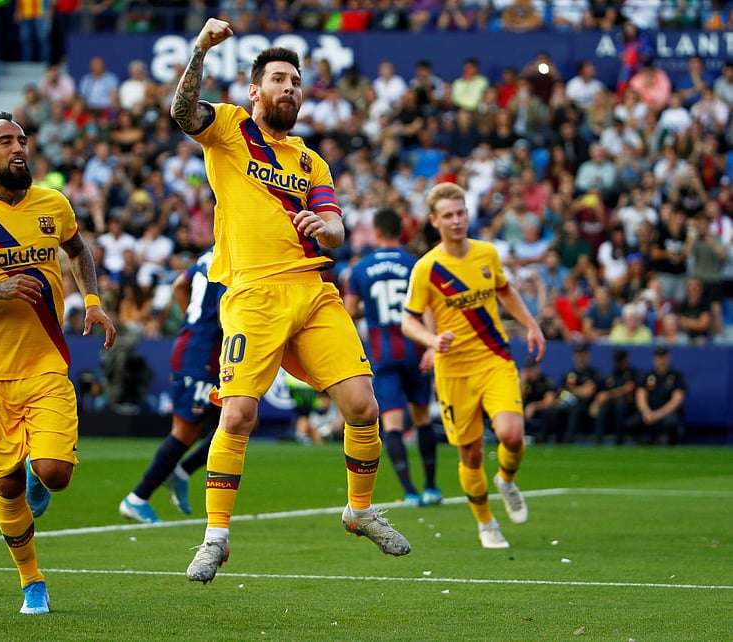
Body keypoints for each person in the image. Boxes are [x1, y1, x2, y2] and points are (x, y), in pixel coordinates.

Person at [171, 18, 411, 584]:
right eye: (279, 79)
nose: (290, 89)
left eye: (297, 82)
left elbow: (333, 225)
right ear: (255, 90)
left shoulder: (311, 162)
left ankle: (358, 510)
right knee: (238, 413)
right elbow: (183, 113)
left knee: (363, 407)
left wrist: (328, 229)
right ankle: (216, 538)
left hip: (313, 293)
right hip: (252, 294)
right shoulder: (229, 128)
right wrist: (200, 50)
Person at [0, 112, 117, 615]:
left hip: (45, 361)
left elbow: (78, 250)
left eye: (22, 141)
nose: (18, 148)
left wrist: (92, 299)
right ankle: (32, 581)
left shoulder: (53, 204)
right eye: (5, 141)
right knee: (4, 484)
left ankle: (40, 477)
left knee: (54, 473)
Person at [401, 182, 546, 549]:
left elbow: (505, 290)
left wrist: (531, 325)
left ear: (468, 213)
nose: (456, 220)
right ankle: (486, 522)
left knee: (512, 434)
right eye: (448, 215)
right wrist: (432, 342)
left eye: (461, 212)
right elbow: (409, 320)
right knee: (471, 453)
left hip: (494, 358)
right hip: (453, 371)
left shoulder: (486, 253)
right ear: (435, 221)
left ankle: (506, 481)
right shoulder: (427, 268)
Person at [119, 247, 224, 523]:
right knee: (186, 431)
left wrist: (193, 320)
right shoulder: (234, 255)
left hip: (195, 346)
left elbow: (180, 284)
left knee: (241, 420)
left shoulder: (210, 253)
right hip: (202, 356)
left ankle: (179, 473)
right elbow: (227, 315)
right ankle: (138, 497)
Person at [343, 207, 441, 507]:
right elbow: (427, 308)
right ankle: (431, 487)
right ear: (401, 231)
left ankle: (410, 491)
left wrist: (365, 312)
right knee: (423, 418)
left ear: (377, 232)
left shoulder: (360, 269)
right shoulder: (416, 265)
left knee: (394, 424)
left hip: (383, 354)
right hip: (415, 350)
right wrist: (431, 345)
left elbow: (348, 313)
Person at [626, 346, 687, 445]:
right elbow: (640, 395)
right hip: (650, 410)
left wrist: (658, 414)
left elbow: (677, 400)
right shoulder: (647, 376)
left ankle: (671, 445)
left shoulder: (677, 376)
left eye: (663, 357)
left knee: (671, 422)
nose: (661, 360)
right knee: (631, 423)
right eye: (658, 357)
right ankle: (642, 442)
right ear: (654, 359)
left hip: (666, 412)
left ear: (668, 358)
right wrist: (646, 412)